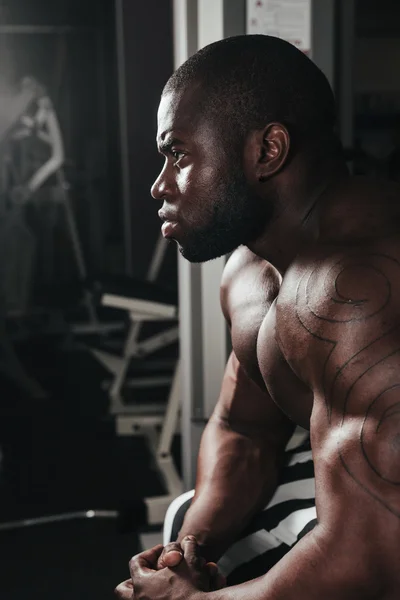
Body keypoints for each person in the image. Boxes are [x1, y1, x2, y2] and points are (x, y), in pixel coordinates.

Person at [116, 34, 400, 599]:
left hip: (384, 536)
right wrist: (185, 556)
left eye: (178, 154)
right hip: (370, 509)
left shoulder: (356, 287)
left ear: (268, 151)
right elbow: (243, 429)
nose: (160, 184)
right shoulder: (251, 271)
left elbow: (374, 561)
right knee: (184, 516)